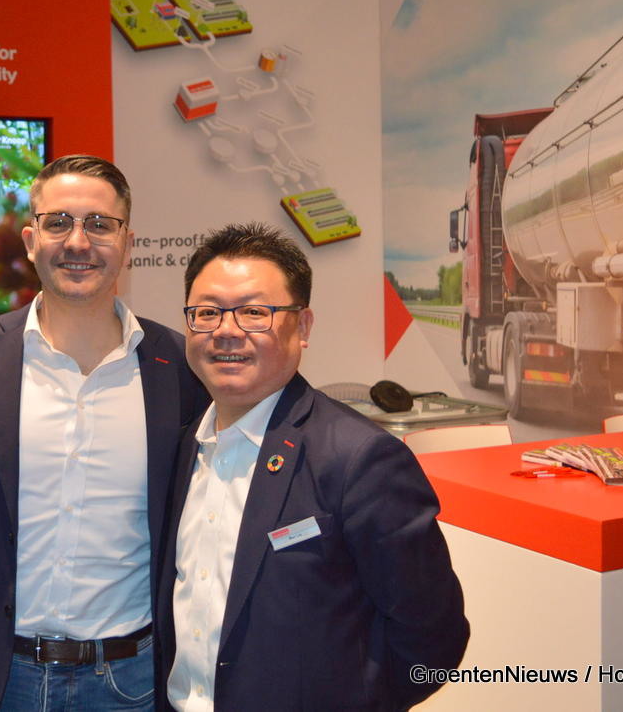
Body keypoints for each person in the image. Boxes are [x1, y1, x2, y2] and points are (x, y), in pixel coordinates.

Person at [0, 155, 205, 712]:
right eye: (58, 222)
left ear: (127, 243)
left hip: (132, 681)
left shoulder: (178, 365)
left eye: (99, 224)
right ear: (31, 241)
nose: (78, 241)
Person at [158, 222, 469, 711]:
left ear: (302, 327)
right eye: (207, 313)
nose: (226, 331)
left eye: (254, 312)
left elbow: (433, 636)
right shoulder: (182, 448)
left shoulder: (360, 459)